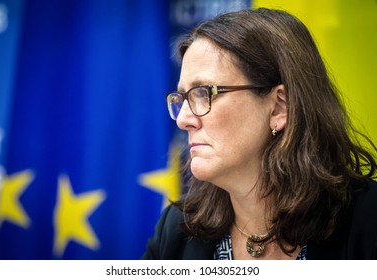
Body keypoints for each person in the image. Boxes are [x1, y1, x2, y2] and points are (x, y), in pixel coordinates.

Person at [142, 7, 377, 260]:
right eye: (182, 97)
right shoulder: (176, 230)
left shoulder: (368, 220)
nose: (184, 120)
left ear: (279, 107)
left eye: (203, 93)